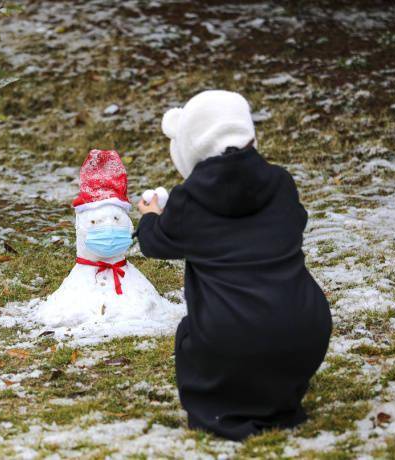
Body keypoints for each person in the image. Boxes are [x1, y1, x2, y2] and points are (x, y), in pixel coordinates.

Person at [135, 90, 332, 441]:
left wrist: (151, 216)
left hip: (228, 338)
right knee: (268, 332)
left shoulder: (189, 201)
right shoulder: (281, 183)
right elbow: (294, 222)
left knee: (192, 333)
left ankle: (222, 408)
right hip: (302, 328)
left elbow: (155, 243)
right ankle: (278, 402)